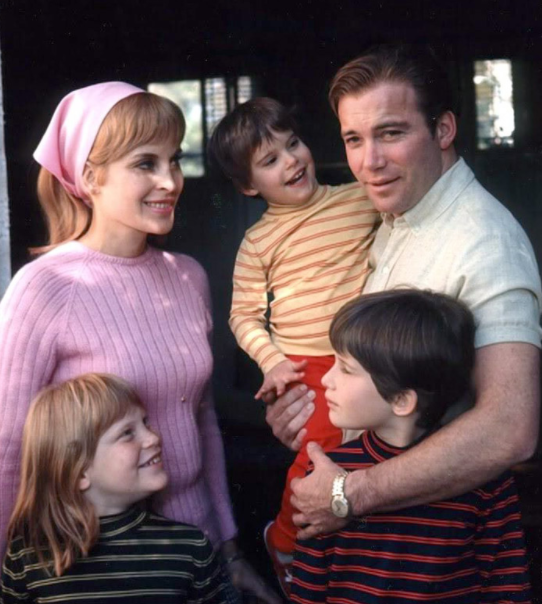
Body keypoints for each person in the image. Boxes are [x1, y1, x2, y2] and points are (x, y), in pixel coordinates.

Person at [0, 81, 279, 603]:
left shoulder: (187, 276)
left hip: (197, 553)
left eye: (173, 160)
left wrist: (230, 550)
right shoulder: (43, 288)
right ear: (89, 177)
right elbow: (8, 452)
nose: (170, 180)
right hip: (93, 568)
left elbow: (202, 423)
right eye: (145, 163)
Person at [264, 44, 542, 540]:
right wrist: (310, 419)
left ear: (443, 129)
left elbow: (510, 428)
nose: (369, 162)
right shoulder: (398, 214)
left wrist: (349, 494)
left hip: (428, 551)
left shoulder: (485, 241)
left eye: (390, 133)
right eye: (354, 139)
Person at [209, 97, 379, 591]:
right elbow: (243, 316)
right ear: (247, 186)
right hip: (303, 365)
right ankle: (284, 539)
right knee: (320, 457)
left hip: (361, 359)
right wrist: (273, 362)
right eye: (270, 160)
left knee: (369, 454)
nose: (291, 160)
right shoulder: (259, 241)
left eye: (293, 144)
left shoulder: (358, 199)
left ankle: (344, 560)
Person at [290, 289, 532, 603]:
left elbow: (507, 586)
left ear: (402, 400)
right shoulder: (327, 472)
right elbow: (308, 586)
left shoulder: (483, 478)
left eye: (346, 369)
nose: (327, 379)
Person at [0, 373, 229, 603]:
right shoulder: (27, 556)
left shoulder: (190, 547)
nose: (153, 438)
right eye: (127, 433)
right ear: (80, 472)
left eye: (145, 422)